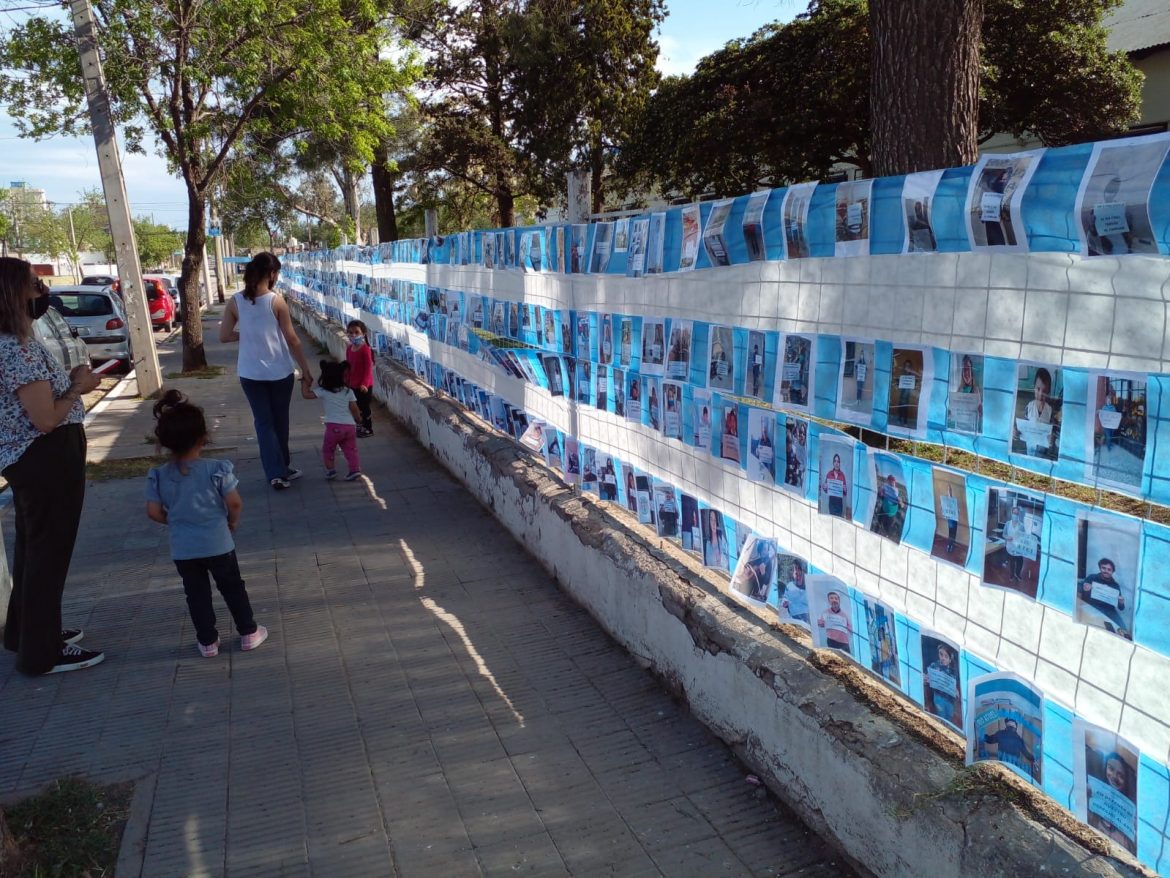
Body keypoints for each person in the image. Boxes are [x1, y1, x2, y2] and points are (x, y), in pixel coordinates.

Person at [0, 258, 104, 674]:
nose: (42, 292)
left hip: (35, 458)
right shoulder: (14, 347)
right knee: (49, 553)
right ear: (13, 293)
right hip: (45, 457)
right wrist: (79, 386)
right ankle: (41, 653)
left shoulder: (16, 341)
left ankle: (27, 632)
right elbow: (44, 418)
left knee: (32, 547)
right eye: (33, 285)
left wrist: (70, 381)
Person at [146, 390, 268, 657]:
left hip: (183, 548)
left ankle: (208, 642)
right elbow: (234, 502)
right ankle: (248, 632)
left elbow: (153, 511)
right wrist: (231, 522)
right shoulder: (216, 469)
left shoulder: (158, 475)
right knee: (233, 587)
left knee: (196, 595)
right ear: (203, 438)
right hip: (218, 542)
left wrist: (174, 521)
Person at [219, 252, 315, 491]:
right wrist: (306, 368)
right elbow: (292, 340)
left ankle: (278, 470)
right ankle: (279, 469)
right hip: (280, 372)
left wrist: (248, 334)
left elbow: (223, 336)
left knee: (263, 422)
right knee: (279, 422)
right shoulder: (276, 301)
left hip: (249, 374)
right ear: (272, 274)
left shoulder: (235, 301)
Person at [305, 360, 363, 481]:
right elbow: (354, 409)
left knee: (328, 449)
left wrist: (304, 382)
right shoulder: (348, 391)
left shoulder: (324, 391)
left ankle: (331, 471)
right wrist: (358, 419)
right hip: (350, 426)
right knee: (351, 449)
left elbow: (306, 395)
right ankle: (354, 470)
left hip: (333, 428)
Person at [1087, 751, 1137, 852]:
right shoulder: (1094, 789)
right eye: (1111, 768)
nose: (1114, 777)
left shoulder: (1133, 809)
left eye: (1120, 775)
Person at [1079, 557, 1129, 636]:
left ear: (1112, 572)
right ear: (1100, 568)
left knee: (1123, 630)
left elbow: (1121, 608)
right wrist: (1084, 588)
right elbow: (1080, 592)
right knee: (1097, 628)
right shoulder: (1092, 577)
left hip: (1110, 610)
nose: (1106, 571)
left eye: (1109, 570)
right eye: (1104, 568)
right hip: (1093, 606)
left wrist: (1121, 602)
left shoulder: (1115, 585)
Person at [345, 320, 375, 437]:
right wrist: (346, 381)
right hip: (353, 385)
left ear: (363, 334)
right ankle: (359, 425)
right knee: (354, 407)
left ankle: (368, 428)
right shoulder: (349, 349)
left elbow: (368, 369)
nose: (353, 335)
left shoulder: (365, 350)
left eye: (356, 332)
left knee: (364, 407)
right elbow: (347, 367)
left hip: (364, 386)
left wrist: (365, 384)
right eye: (350, 332)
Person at [1016, 367, 1055, 457]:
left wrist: (1052, 440)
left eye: (1044, 391)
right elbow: (1022, 428)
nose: (1041, 394)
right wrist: (1016, 432)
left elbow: (1052, 432)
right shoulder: (1028, 407)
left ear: (1048, 392)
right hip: (1029, 450)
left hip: (1043, 453)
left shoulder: (1050, 411)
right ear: (1033, 388)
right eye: (1038, 389)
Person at [924, 642, 959, 724]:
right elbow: (926, 677)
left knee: (950, 715)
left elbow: (955, 683)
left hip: (950, 699)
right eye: (941, 654)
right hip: (938, 697)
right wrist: (926, 679)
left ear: (951, 659)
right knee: (942, 716)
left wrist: (956, 691)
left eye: (946, 656)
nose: (942, 658)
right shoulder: (934, 666)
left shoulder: (953, 669)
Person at [1002, 505, 1031, 582]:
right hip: (1010, 547)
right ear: (1012, 513)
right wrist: (1007, 537)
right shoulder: (1007, 524)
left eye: (1017, 514)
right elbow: (1003, 534)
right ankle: (1011, 575)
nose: (1015, 515)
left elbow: (1024, 536)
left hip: (1018, 548)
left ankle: (1017, 574)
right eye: (1014, 513)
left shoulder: (1021, 525)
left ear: (1019, 515)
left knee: (1020, 563)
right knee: (1012, 563)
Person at [875, 474, 904, 539]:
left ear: (895, 482)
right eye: (890, 481)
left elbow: (901, 505)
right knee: (878, 524)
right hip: (883, 509)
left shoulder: (896, 492)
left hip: (891, 514)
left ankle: (886, 536)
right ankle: (875, 533)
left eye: (893, 481)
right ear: (887, 481)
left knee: (888, 528)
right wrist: (880, 493)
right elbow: (879, 495)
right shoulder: (884, 487)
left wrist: (900, 503)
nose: (892, 483)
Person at [822, 452, 849, 518]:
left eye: (838, 461)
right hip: (831, 502)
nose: (837, 463)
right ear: (833, 463)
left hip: (839, 503)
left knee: (838, 520)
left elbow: (845, 493)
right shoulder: (829, 474)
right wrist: (824, 487)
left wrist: (845, 489)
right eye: (835, 461)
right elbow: (825, 490)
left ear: (840, 463)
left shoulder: (842, 475)